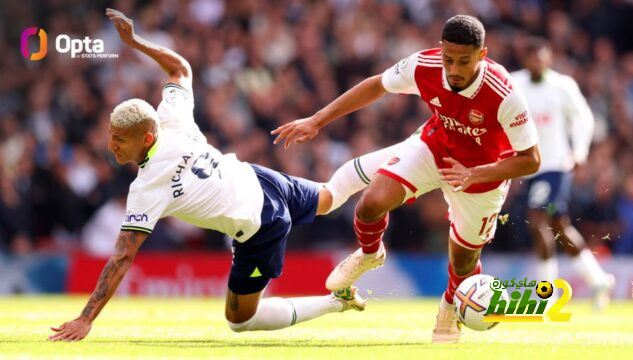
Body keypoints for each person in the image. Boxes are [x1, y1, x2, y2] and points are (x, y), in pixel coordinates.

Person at [48, 8, 389, 342]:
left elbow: (123, 256)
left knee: (240, 322)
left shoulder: (147, 187)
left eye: (119, 139)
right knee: (330, 197)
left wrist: (85, 318)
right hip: (259, 180)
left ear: (146, 137)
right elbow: (180, 67)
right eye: (111, 135)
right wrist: (136, 41)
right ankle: (399, 155)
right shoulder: (172, 116)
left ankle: (335, 302)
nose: (111, 146)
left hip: (259, 226)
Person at [272, 15, 540, 344]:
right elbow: (376, 84)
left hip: (481, 177)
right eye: (449, 59)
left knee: (464, 259)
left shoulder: (504, 94)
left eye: (464, 62)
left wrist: (476, 173)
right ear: (441, 50)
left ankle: (449, 306)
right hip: (433, 148)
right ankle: (370, 253)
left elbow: (531, 159)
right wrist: (318, 119)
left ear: (482, 56)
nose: (454, 69)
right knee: (371, 203)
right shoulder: (424, 65)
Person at [511, 37, 614, 310]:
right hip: (529, 165)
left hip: (556, 165)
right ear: (525, 59)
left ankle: (547, 296)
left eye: (542, 57)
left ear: (549, 58)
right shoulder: (514, 84)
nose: (537, 62)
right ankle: (598, 279)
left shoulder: (562, 86)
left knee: (536, 219)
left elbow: (583, 118)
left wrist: (579, 151)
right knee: (559, 226)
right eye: (532, 57)